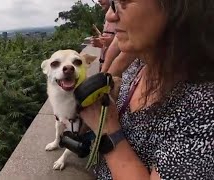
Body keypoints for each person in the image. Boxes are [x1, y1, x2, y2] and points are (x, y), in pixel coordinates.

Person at [80, 0, 214, 179]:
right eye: (113, 4)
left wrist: (107, 129)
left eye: (125, 1)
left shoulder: (204, 108)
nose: (111, 15)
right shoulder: (139, 66)